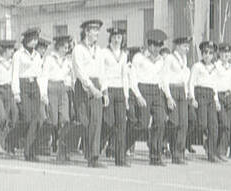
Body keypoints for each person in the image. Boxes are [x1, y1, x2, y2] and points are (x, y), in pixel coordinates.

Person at [132, 29, 173, 166]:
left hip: (157, 91)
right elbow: (133, 78)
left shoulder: (162, 60)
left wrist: (168, 97)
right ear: (149, 45)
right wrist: (138, 95)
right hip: (143, 89)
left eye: (160, 46)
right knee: (142, 124)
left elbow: (164, 80)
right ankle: (122, 146)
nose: (157, 49)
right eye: (155, 45)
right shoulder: (139, 58)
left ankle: (155, 156)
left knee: (160, 122)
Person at [72, 19, 107, 167]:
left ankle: (94, 157)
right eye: (94, 30)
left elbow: (102, 71)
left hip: (97, 86)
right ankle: (66, 144)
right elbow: (79, 71)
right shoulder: (78, 49)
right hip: (83, 86)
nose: (97, 33)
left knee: (96, 121)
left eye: (98, 30)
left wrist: (104, 90)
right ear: (86, 31)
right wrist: (91, 87)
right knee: (84, 122)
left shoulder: (98, 50)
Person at [100, 26, 132, 166]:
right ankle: (98, 145)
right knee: (109, 122)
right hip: (109, 90)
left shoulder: (124, 55)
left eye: (119, 37)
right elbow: (102, 73)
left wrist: (126, 96)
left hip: (120, 90)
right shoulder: (104, 53)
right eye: (114, 37)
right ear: (110, 38)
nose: (117, 40)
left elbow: (124, 76)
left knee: (121, 125)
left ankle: (120, 158)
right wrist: (104, 91)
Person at [12, 28, 45, 162]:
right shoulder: (18, 55)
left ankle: (29, 150)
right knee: (26, 118)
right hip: (23, 85)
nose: (34, 42)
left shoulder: (37, 55)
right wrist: (16, 93)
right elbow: (14, 74)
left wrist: (43, 93)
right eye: (31, 40)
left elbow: (40, 75)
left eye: (36, 40)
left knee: (35, 120)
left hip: (34, 86)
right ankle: (11, 139)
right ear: (25, 40)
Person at [41, 34, 74, 163]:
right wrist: (44, 94)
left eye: (68, 47)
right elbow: (44, 76)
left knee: (65, 120)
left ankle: (62, 151)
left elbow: (70, 76)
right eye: (64, 47)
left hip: (63, 88)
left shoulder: (67, 61)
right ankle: (49, 142)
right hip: (51, 88)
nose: (66, 49)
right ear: (59, 46)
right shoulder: (49, 59)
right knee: (53, 121)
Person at [188, 41, 220, 162]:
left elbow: (214, 85)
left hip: (210, 96)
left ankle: (211, 152)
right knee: (202, 124)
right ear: (202, 53)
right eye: (205, 52)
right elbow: (191, 82)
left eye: (211, 53)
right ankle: (187, 141)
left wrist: (216, 100)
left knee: (214, 125)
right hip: (200, 94)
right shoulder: (197, 66)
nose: (208, 55)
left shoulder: (214, 68)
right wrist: (192, 97)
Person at [163, 36, 192, 164]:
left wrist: (186, 92)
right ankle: (164, 143)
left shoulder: (184, 59)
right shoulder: (169, 58)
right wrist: (168, 96)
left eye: (188, 46)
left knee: (184, 123)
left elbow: (184, 77)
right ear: (177, 46)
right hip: (172, 90)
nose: (187, 48)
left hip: (181, 91)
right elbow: (164, 77)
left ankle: (178, 154)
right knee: (174, 122)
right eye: (185, 46)